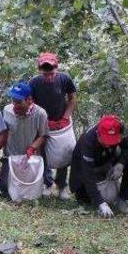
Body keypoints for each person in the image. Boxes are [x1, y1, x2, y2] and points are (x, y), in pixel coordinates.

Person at [69, 115, 128, 217]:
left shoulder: (119, 129)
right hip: (86, 174)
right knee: (85, 199)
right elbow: (87, 174)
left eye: (112, 140)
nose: (108, 144)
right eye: (105, 140)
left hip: (107, 163)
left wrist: (120, 164)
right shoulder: (88, 141)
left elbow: (127, 148)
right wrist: (100, 203)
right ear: (98, 134)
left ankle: (122, 199)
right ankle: (95, 198)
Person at [28, 52, 77, 199]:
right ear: (40, 70)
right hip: (43, 123)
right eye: (45, 74)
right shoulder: (34, 82)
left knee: (64, 152)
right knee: (43, 152)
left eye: (52, 74)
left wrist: (65, 117)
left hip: (62, 122)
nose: (49, 77)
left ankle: (61, 186)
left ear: (57, 68)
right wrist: (43, 121)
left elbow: (73, 98)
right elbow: (30, 103)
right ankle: (47, 183)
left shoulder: (64, 79)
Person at [0, 81, 48, 195]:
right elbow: (2, 132)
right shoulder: (7, 110)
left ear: (29, 100)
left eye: (19, 102)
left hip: (28, 158)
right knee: (5, 187)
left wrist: (32, 147)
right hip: (10, 157)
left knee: (28, 189)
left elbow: (43, 135)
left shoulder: (40, 114)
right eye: (13, 101)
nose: (15, 105)